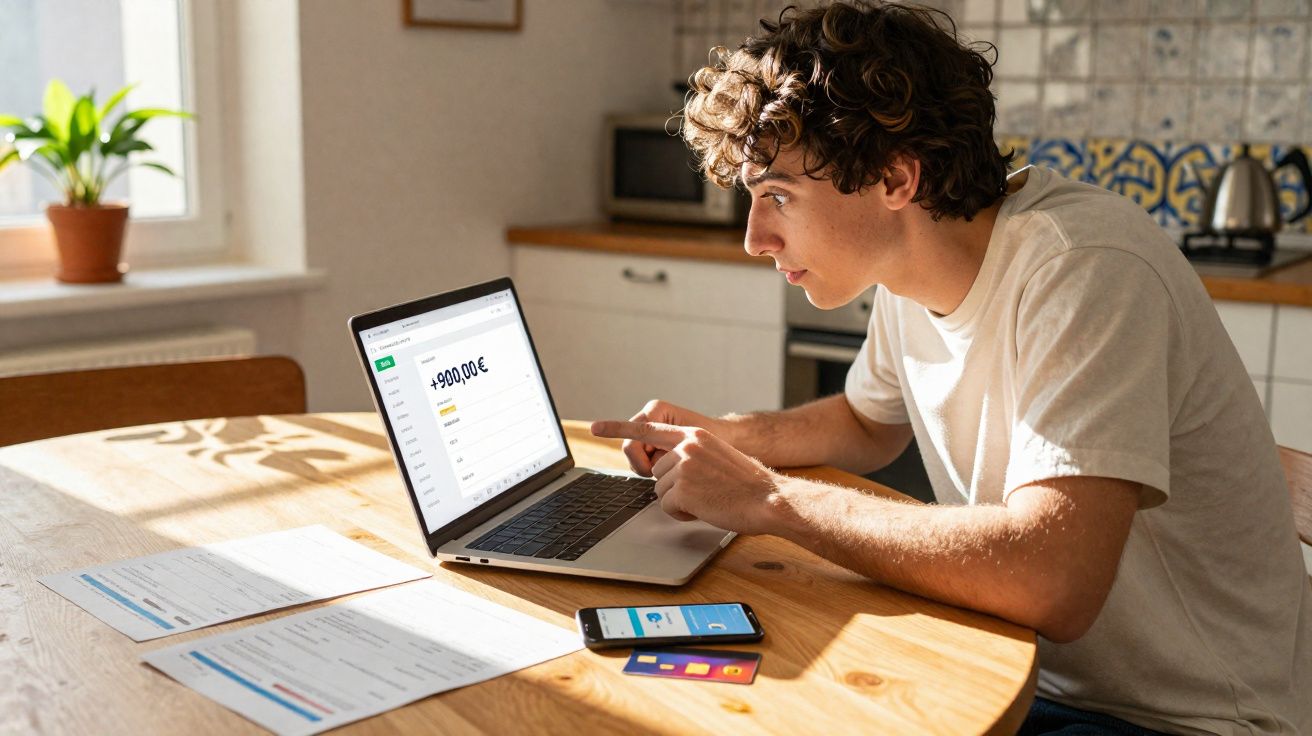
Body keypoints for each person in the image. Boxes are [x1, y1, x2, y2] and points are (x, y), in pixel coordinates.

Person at [590, 3, 1311, 735]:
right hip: (1036, 667)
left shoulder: (1085, 272)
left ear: (896, 179)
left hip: (1188, 717)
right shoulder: (914, 266)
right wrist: (726, 438)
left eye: (778, 196)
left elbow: (1053, 582)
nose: (754, 238)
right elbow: (866, 423)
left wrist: (771, 500)